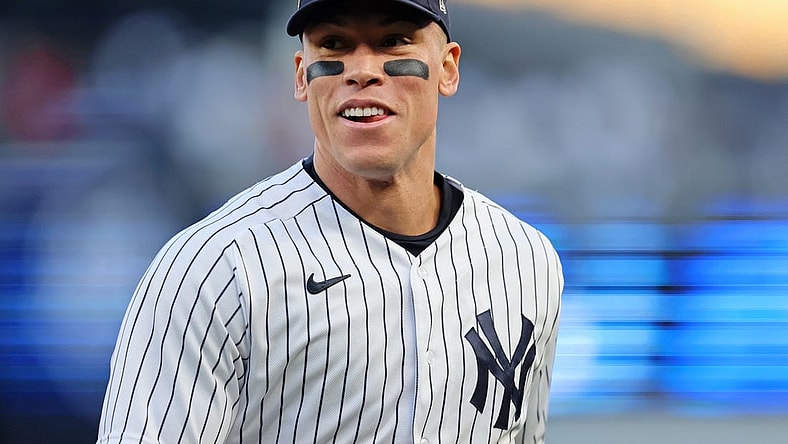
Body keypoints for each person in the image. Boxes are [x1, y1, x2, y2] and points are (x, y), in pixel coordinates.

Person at [96, 0, 563, 442]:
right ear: (301, 76)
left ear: (447, 68)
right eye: (335, 45)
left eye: (394, 40)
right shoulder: (214, 269)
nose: (362, 71)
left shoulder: (527, 261)